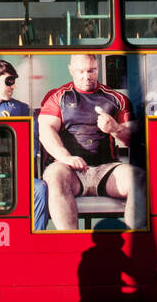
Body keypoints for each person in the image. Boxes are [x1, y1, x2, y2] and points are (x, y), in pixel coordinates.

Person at [38, 54, 146, 231]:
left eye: (91, 71)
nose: (86, 76)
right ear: (71, 70)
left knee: (138, 178)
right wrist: (66, 157)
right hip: (68, 170)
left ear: (98, 69)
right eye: (80, 71)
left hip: (106, 169)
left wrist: (115, 128)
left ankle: (131, 242)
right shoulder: (58, 96)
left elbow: (133, 137)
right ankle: (71, 245)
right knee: (54, 176)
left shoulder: (116, 98)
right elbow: (46, 131)